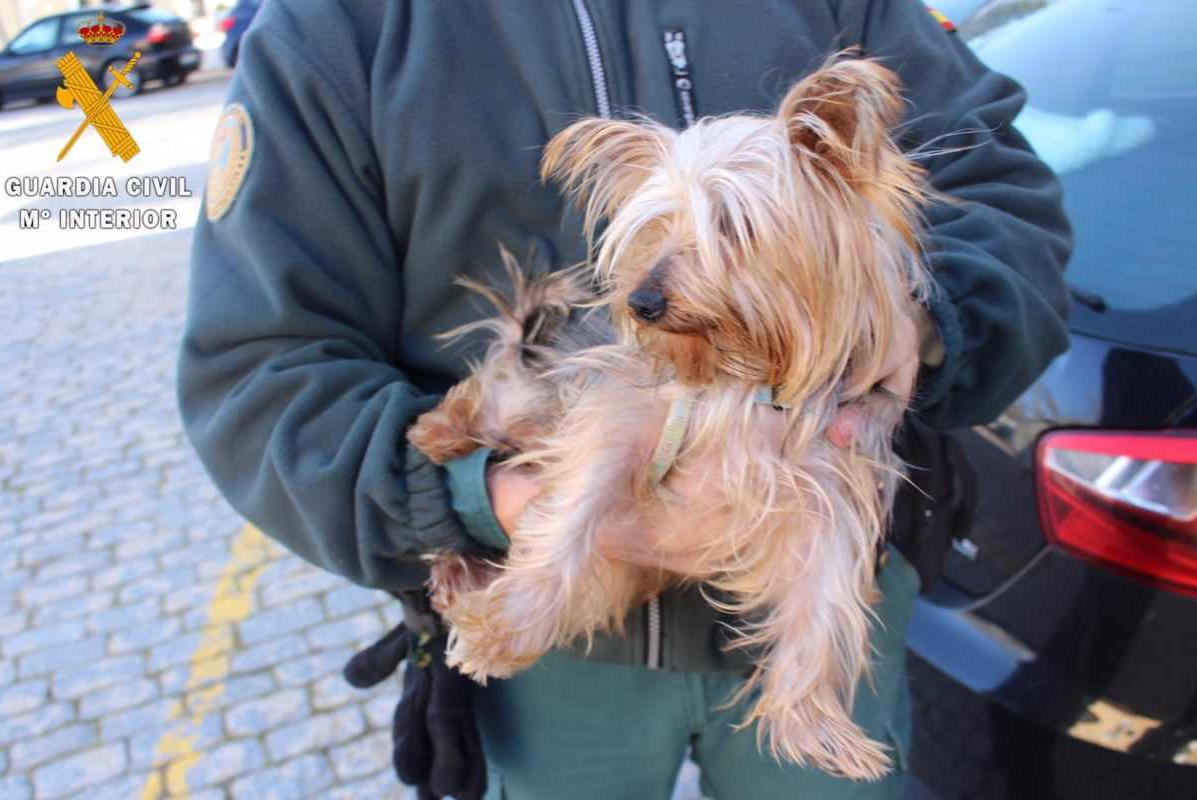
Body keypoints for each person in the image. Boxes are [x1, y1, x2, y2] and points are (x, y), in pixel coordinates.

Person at [178, 1, 1072, 798]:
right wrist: (477, 503)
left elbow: (1001, 194)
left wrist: (916, 318)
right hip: (549, 661)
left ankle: (805, 693)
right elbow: (262, 371)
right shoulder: (335, 30)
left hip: (836, 608)